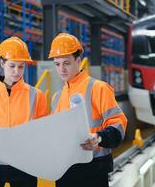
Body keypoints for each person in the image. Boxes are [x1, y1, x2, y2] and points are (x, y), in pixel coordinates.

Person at [48, 33, 128, 187]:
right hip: (65, 169)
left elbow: (118, 123)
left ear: (78, 61)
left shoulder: (98, 88)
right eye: (57, 64)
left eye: (66, 63)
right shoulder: (57, 97)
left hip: (92, 169)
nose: (61, 69)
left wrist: (99, 138)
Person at [0, 36, 48, 187]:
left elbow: (43, 128)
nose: (17, 71)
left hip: (24, 163)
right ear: (2, 63)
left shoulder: (36, 95)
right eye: (12, 66)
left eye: (21, 66)